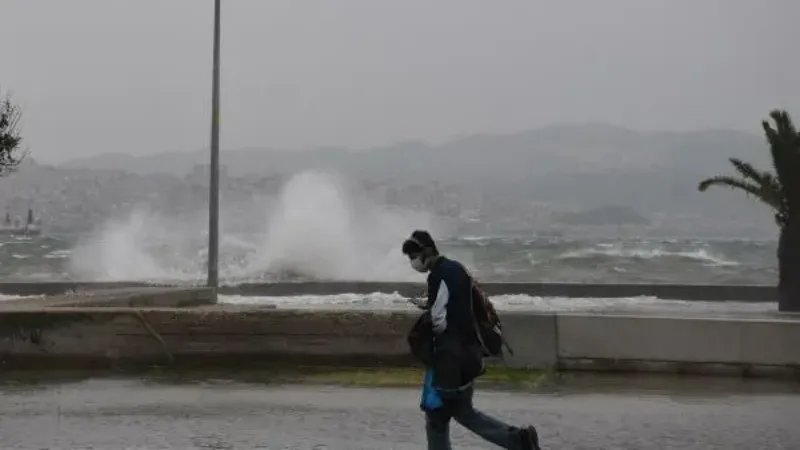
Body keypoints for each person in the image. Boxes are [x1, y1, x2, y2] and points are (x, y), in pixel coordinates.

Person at [402, 230, 542, 450]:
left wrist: (430, 336)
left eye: (413, 255)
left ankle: (518, 440)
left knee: (444, 415)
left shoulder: (439, 275)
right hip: (469, 355)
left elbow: (440, 318)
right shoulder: (457, 269)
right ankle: (518, 439)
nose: (412, 261)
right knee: (454, 412)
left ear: (427, 252)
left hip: (450, 359)